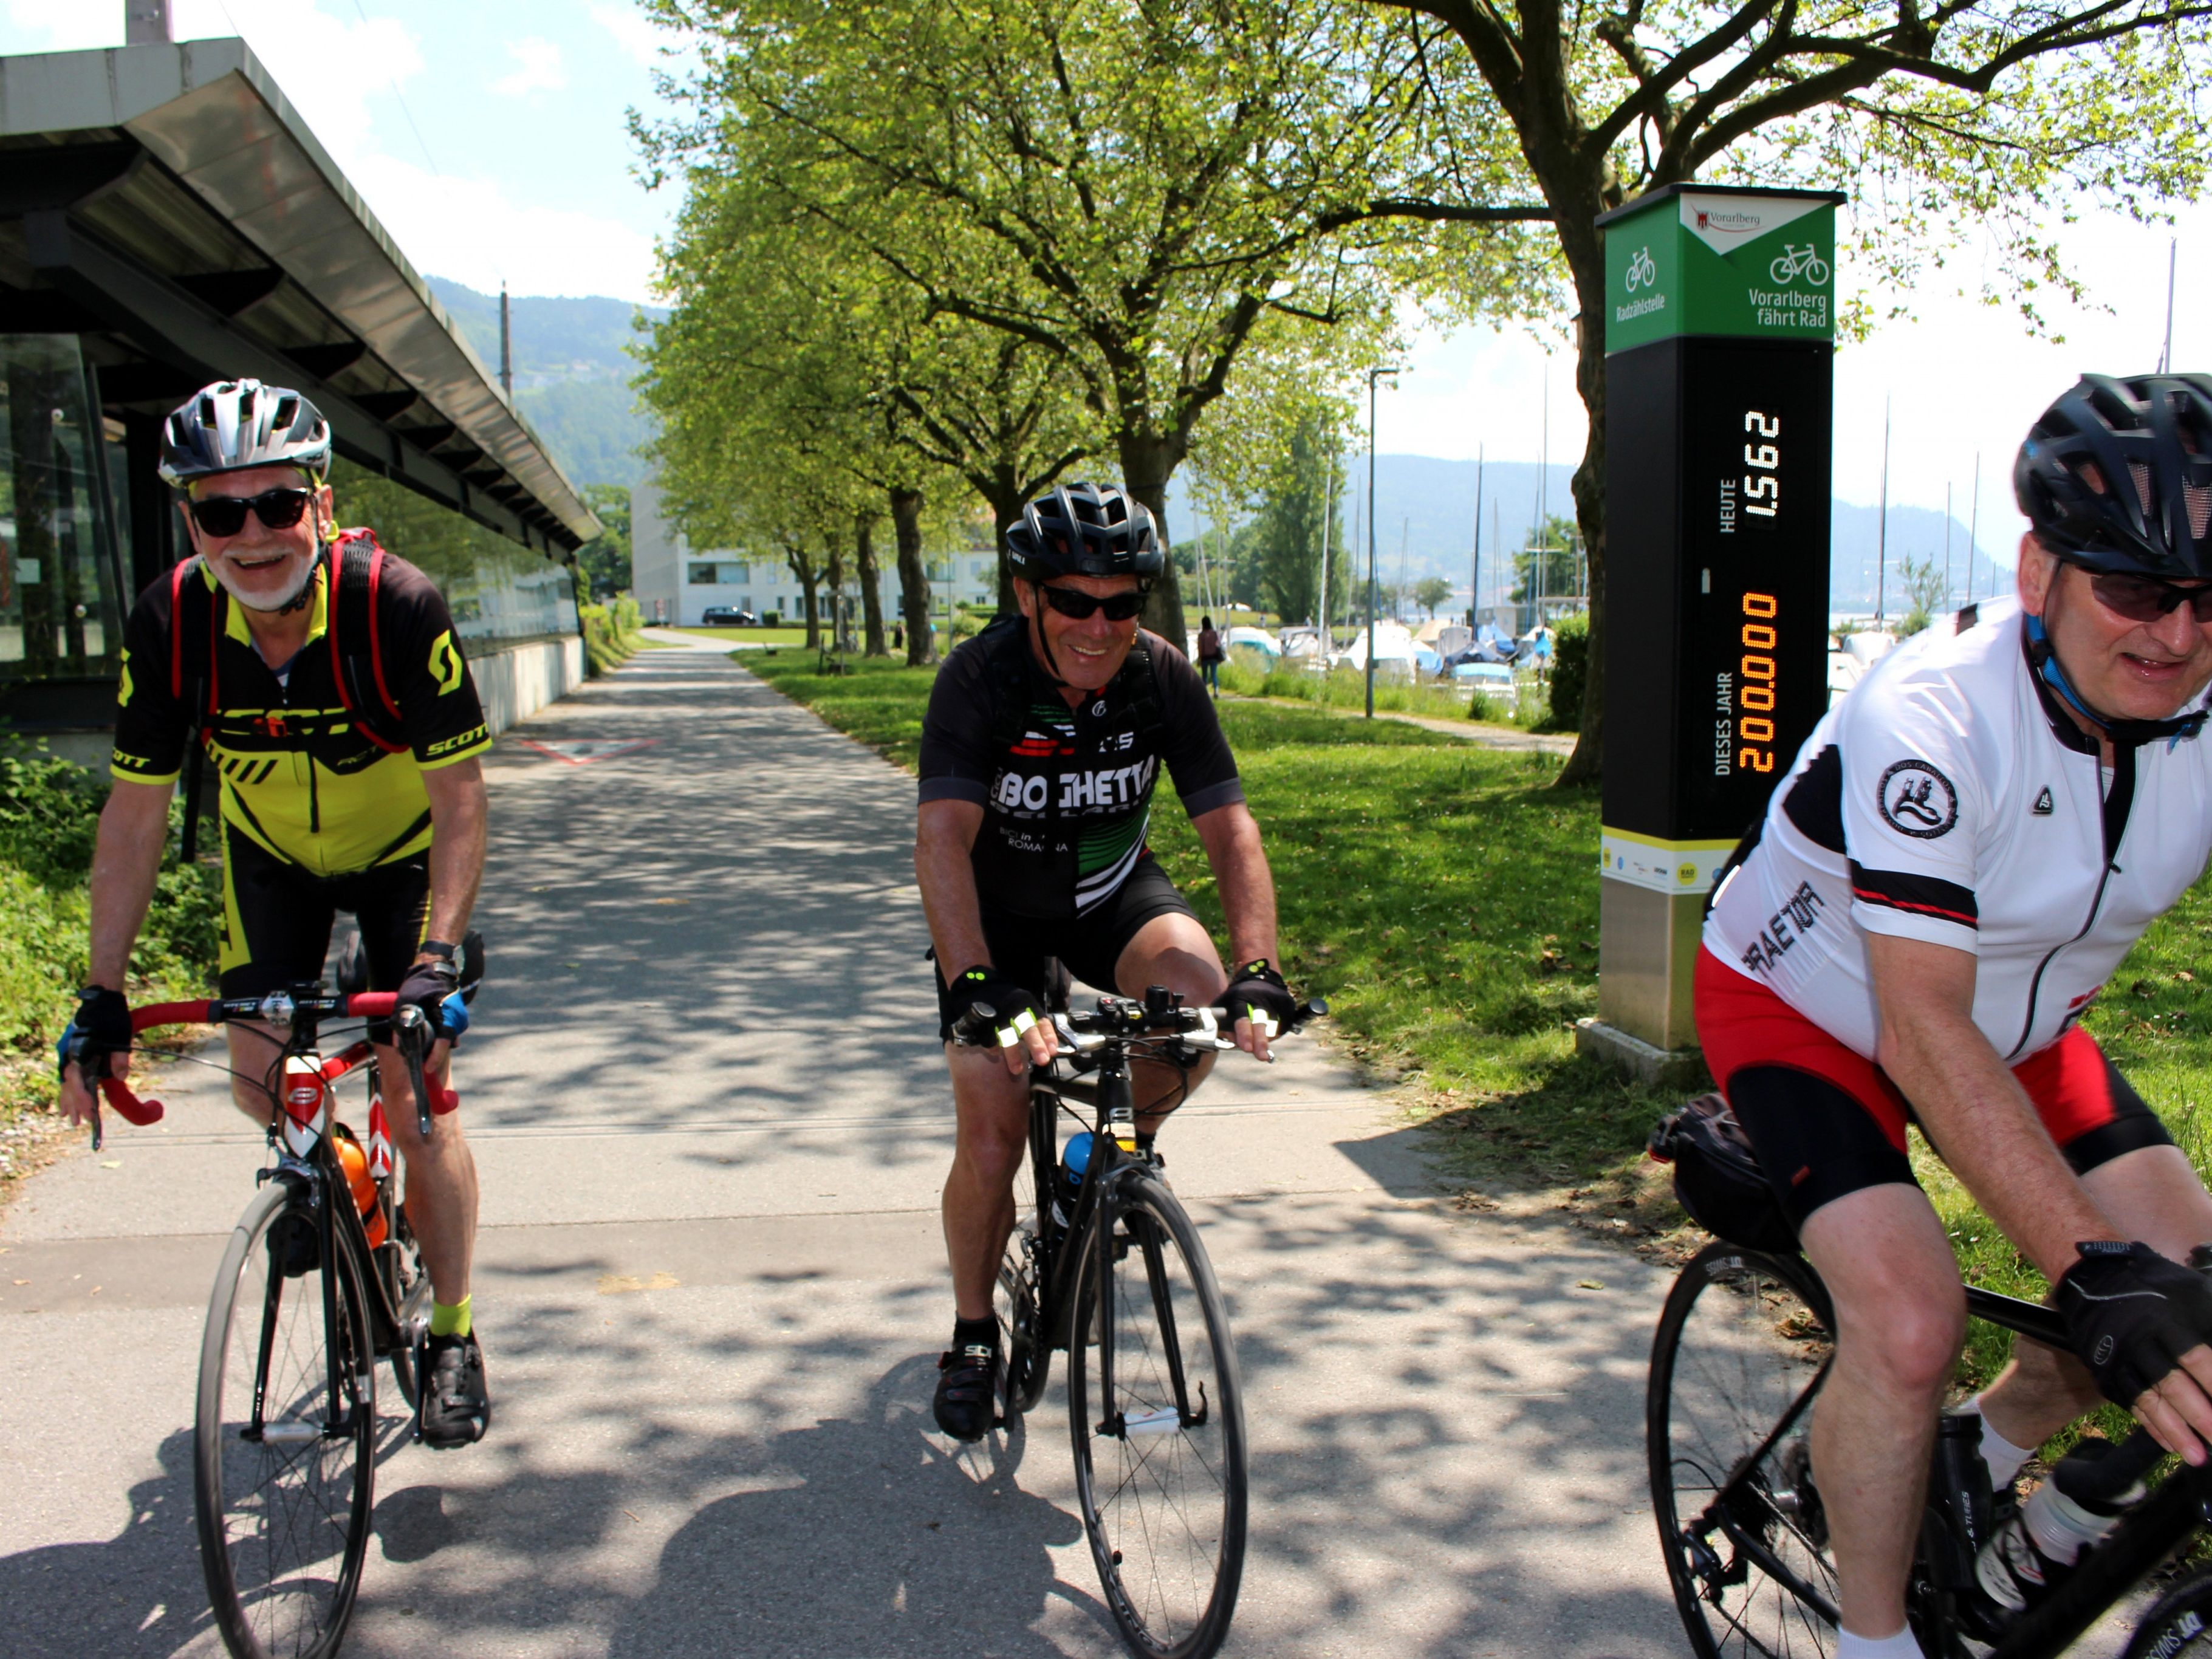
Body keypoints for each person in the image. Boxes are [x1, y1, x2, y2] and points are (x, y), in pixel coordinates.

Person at [1697, 372, 2212, 1659]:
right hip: (1810, 1002)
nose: (2177, 635)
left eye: (2211, 599)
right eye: (2137, 591)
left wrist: (2117, 1279)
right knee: (1915, 1318)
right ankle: (1876, 1645)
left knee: (2188, 1297)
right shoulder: (1930, 714)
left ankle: (1985, 1465)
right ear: (2037, 570)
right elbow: (1922, 1027)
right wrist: (2085, 1267)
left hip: (2019, 1028)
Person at [56, 378, 496, 1448]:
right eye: (219, 511)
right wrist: (101, 990)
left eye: (275, 507)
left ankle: (450, 1334)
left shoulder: (395, 604)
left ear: (321, 502)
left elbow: (461, 802)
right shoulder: (170, 621)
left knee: (413, 1094)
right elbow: (134, 816)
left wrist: (437, 952)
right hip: (272, 863)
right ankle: (333, 1182)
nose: (251, 535)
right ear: (189, 521)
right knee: (260, 1074)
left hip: (399, 861)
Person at [914, 481, 1301, 1441]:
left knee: (1198, 1009)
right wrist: (973, 983)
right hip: (997, 922)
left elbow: (1230, 828)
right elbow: (942, 840)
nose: (1099, 624)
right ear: (1027, 596)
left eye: (1122, 602)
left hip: (1108, 895)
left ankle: (1098, 1164)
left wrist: (1260, 966)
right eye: (1075, 601)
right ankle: (972, 1333)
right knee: (994, 1133)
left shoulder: (1160, 675)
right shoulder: (979, 679)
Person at [1196, 614, 1224, 698]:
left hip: (1205, 658)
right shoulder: (1214, 633)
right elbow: (1218, 644)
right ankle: (1216, 691)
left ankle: (1204, 692)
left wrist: (1200, 658)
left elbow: (1200, 648)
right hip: (1214, 657)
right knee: (1214, 675)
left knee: (1204, 676)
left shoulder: (1201, 635)